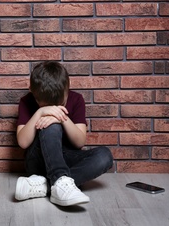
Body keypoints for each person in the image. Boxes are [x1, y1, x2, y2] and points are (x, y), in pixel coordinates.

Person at [15, 61, 113, 206]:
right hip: (38, 159)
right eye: (46, 105)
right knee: (51, 126)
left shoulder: (77, 99)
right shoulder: (26, 101)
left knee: (104, 156)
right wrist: (40, 113)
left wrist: (61, 118)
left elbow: (79, 142)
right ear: (31, 90)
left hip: (66, 158)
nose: (53, 108)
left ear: (68, 86)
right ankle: (60, 181)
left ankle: (46, 186)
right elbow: (23, 142)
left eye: (59, 105)